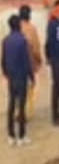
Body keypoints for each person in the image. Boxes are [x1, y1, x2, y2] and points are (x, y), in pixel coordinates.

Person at [2, 15, 34, 147]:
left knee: (11, 105)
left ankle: (11, 135)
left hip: (11, 76)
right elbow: (27, 61)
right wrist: (31, 76)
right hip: (21, 76)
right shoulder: (22, 40)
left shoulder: (5, 40)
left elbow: (2, 60)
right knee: (21, 106)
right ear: (18, 25)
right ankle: (21, 136)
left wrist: (6, 73)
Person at [19, 5, 42, 121]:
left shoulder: (15, 27)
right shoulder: (32, 29)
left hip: (17, 65)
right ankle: (27, 112)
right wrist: (39, 60)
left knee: (18, 89)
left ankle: (19, 111)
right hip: (29, 64)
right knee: (29, 88)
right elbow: (36, 48)